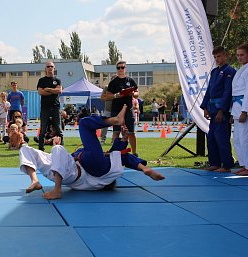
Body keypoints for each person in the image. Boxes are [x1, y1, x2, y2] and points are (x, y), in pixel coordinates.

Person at [19, 105, 164, 199]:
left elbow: (123, 157)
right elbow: (119, 156)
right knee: (25, 149)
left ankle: (57, 190)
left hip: (79, 171)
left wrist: (145, 168)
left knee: (71, 135)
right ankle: (35, 181)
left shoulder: (99, 168)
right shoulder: (101, 163)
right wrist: (124, 139)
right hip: (69, 172)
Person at [200, 46, 235, 173]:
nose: (217, 59)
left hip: (222, 110)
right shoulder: (214, 72)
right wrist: (205, 107)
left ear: (225, 56)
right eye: (215, 57)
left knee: (221, 137)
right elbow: (209, 90)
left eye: (219, 56)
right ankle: (214, 162)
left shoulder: (229, 71)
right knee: (211, 137)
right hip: (212, 108)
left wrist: (222, 110)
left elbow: (228, 92)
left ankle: (226, 164)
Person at [230, 43, 248, 176]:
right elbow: (234, 92)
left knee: (247, 139)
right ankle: (244, 164)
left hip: (244, 108)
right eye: (238, 55)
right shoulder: (241, 69)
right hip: (236, 107)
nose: (239, 57)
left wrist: (245, 110)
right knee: (237, 139)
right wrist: (232, 112)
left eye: (242, 55)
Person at [103, 61, 138, 155]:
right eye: (118, 68)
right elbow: (107, 96)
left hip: (128, 109)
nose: (120, 69)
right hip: (116, 110)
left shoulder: (130, 80)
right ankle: (115, 153)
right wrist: (116, 95)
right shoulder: (113, 82)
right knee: (116, 131)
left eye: (122, 67)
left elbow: (137, 93)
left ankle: (134, 153)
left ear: (125, 68)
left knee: (131, 132)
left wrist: (133, 94)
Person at [37, 62, 63, 151]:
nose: (50, 68)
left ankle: (61, 148)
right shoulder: (41, 80)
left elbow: (59, 91)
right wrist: (53, 90)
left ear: (54, 68)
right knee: (43, 129)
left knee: (58, 129)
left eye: (51, 66)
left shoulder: (58, 80)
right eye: (48, 66)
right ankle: (41, 148)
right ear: (45, 69)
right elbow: (40, 92)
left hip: (55, 107)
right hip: (45, 108)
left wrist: (47, 89)